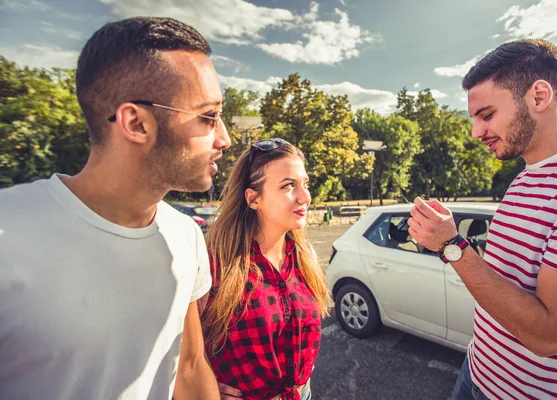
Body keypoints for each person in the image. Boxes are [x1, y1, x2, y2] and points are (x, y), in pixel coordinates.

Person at [0, 17, 230, 399]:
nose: (224, 137)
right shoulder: (9, 235)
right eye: (207, 117)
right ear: (136, 123)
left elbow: (188, 368)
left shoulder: (185, 235)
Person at [407, 39, 557, 400]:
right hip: (477, 371)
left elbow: (549, 336)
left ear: (539, 96)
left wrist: (452, 245)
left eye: (487, 115)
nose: (475, 133)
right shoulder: (525, 175)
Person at [201, 138, 331, 400]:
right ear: (253, 199)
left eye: (305, 184)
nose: (305, 197)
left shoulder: (304, 257)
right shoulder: (216, 263)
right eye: (288, 186)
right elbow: (185, 343)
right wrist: (204, 389)